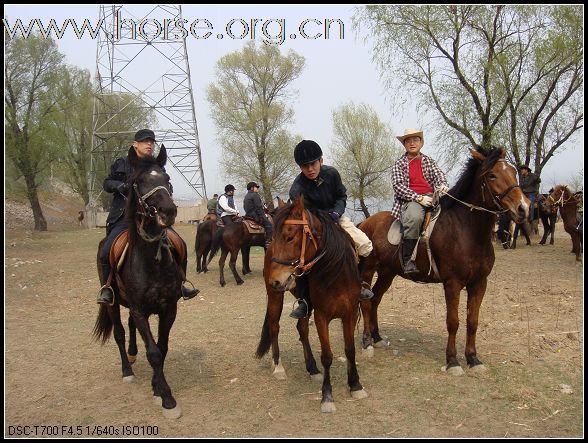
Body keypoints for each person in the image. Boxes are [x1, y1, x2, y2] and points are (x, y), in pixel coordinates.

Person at [96, 129, 200, 305]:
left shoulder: (156, 167)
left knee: (179, 243)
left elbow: (165, 185)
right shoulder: (122, 163)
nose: (149, 144)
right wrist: (120, 186)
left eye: (152, 141)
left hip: (151, 218)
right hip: (125, 217)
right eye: (145, 141)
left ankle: (181, 283)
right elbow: (107, 183)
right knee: (106, 252)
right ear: (135, 144)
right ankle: (108, 288)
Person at [288, 139, 374, 319]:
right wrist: (322, 220)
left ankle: (360, 285)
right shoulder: (296, 189)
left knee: (365, 244)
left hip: (336, 217)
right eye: (305, 166)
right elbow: (304, 212)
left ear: (321, 161)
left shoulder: (332, 174)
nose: (310, 169)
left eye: (313, 163)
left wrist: (336, 213)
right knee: (301, 258)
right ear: (300, 167)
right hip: (313, 224)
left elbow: (341, 196)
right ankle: (304, 300)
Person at [391, 128, 449, 275]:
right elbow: (398, 186)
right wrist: (419, 198)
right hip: (411, 199)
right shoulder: (399, 164)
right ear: (404, 144)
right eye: (408, 141)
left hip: (432, 197)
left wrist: (442, 186)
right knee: (414, 218)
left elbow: (439, 176)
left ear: (421, 143)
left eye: (415, 140)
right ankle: (407, 259)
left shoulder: (429, 161)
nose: (412, 143)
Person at [243, 181, 273, 248]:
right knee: (269, 225)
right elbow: (258, 207)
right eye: (256, 187)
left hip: (248, 215)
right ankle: (268, 242)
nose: (257, 189)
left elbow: (245, 207)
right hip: (255, 215)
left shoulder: (246, 196)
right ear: (252, 188)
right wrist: (263, 215)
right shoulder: (255, 195)